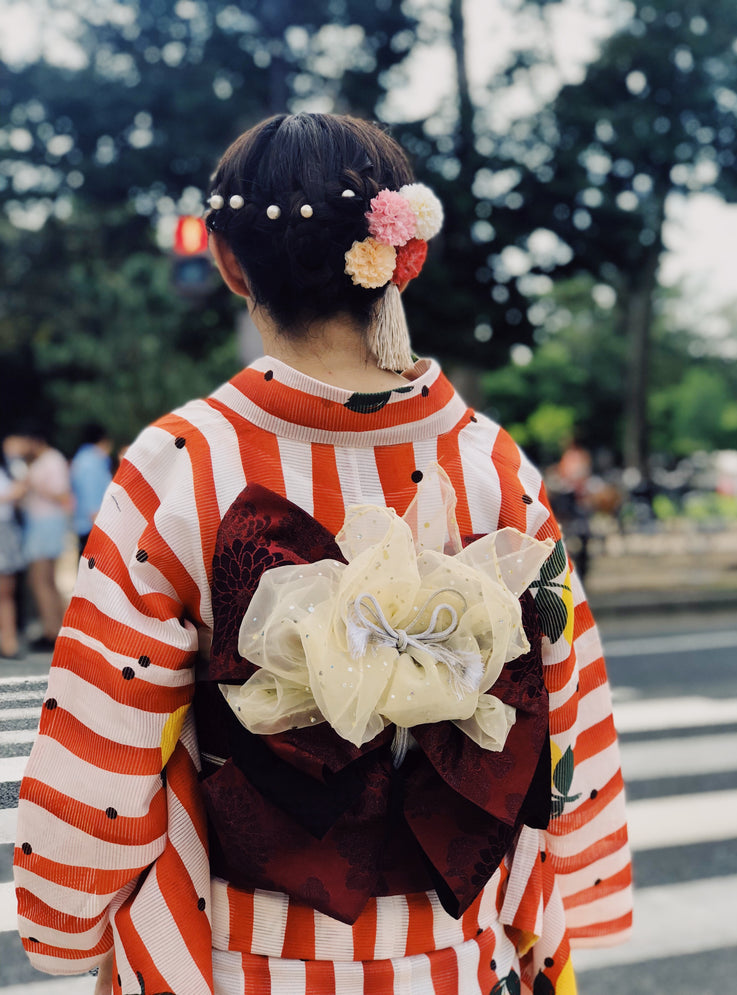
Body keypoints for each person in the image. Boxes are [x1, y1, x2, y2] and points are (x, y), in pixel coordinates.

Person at [14, 113, 631, 995]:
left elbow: (103, 728)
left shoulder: (180, 465)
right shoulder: (495, 464)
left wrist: (64, 915)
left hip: (240, 950)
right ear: (396, 259)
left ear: (230, 264)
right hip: (451, 946)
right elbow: (562, 707)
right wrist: (570, 884)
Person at [19, 428, 72, 652]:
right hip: (40, 523)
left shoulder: (52, 460)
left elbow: (62, 495)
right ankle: (54, 629)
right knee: (45, 580)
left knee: (41, 580)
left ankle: (53, 631)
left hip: (47, 523)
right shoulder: (43, 461)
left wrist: (35, 485)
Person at [69, 423, 113, 554]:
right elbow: (91, 493)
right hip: (93, 524)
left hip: (84, 523)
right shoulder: (92, 461)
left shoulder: (81, 458)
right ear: (104, 440)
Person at [0, 439, 26, 658]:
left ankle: (8, 641)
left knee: (6, 591)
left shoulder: (9, 467)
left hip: (5, 531)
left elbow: (21, 492)